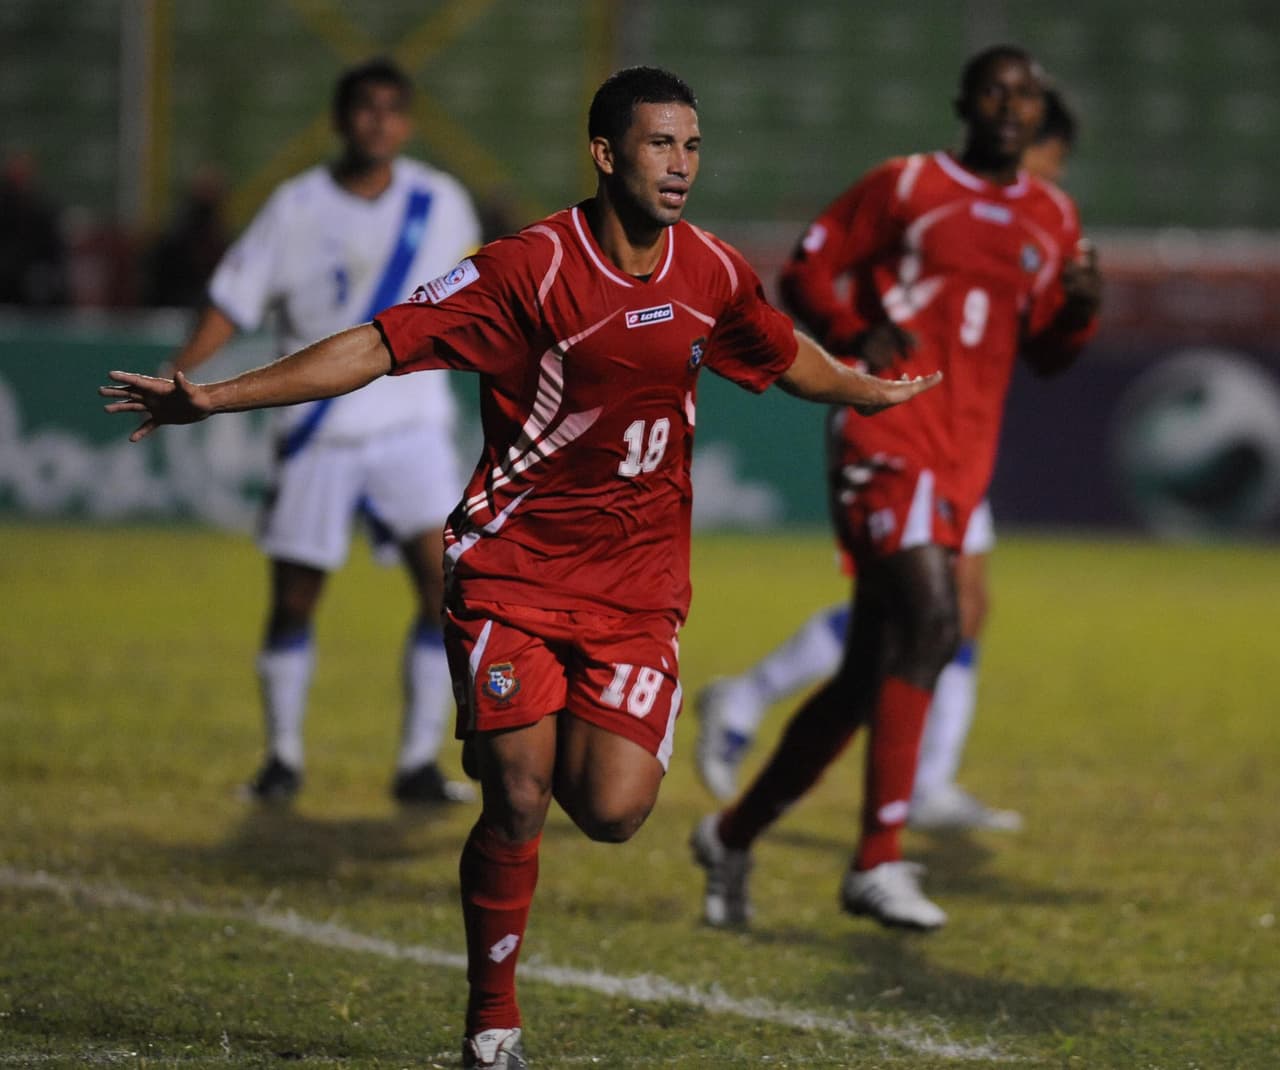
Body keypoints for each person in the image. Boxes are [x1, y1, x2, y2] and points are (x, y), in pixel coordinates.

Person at [102, 65, 940, 1070]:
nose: (680, 166)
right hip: (512, 573)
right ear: (603, 152)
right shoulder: (526, 268)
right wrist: (216, 396)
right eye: (659, 144)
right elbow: (376, 345)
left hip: (636, 593)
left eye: (692, 146)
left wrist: (855, 388)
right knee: (516, 792)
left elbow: (773, 345)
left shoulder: (709, 269)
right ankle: (490, 1026)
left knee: (616, 808)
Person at [691, 48, 1100, 933]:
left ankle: (731, 833)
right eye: (993, 89)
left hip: (963, 453)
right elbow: (808, 267)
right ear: (964, 101)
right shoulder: (909, 184)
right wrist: (848, 334)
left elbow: (1050, 354)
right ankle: (875, 861)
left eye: (1025, 94)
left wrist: (1080, 306)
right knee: (937, 621)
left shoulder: (1053, 217)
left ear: (1040, 116)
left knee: (866, 675)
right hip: (886, 425)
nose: (1008, 105)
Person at [163, 58, 482, 806]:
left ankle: (415, 764)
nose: (378, 121)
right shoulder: (296, 206)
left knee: (445, 591)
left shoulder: (442, 203)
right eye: (363, 108)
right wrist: (181, 376)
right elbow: (232, 302)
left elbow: (479, 300)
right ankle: (282, 757)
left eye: (392, 109)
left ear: (407, 123)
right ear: (339, 120)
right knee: (296, 597)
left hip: (412, 424)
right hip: (319, 425)